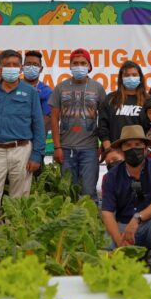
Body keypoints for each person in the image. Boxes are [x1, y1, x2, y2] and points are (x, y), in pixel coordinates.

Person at [0, 49, 45, 254]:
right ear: (0, 67)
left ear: (21, 68)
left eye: (16, 65)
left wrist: (36, 155)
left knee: (19, 203)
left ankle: (15, 247)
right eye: (7, 65)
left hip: (21, 150)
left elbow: (38, 126)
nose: (11, 69)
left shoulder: (30, 93)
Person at [101, 125, 151, 271]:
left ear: (146, 148)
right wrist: (118, 239)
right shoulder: (112, 176)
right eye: (128, 145)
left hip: (148, 226)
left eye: (137, 144)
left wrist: (137, 218)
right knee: (104, 242)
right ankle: (122, 260)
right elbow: (107, 213)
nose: (133, 148)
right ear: (121, 150)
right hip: (123, 227)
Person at [49, 48, 107, 200]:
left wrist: (102, 145)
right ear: (70, 66)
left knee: (89, 193)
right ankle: (70, 223)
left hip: (90, 149)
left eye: (83, 63)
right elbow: (54, 118)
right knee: (69, 193)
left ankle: (91, 223)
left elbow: (104, 119)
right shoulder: (60, 87)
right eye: (75, 63)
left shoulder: (98, 88)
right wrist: (57, 147)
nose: (79, 66)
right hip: (66, 149)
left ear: (89, 66)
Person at [99, 60, 150, 151]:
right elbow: (103, 127)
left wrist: (146, 150)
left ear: (140, 77)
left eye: (134, 75)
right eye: (127, 75)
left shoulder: (148, 100)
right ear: (121, 78)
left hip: (140, 152)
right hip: (115, 151)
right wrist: (108, 149)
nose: (131, 78)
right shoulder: (110, 99)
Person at [21, 50, 52, 133]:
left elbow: (46, 118)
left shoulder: (46, 91)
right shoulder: (13, 87)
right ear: (22, 67)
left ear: (41, 69)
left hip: (36, 137)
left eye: (35, 64)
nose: (31, 67)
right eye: (28, 64)